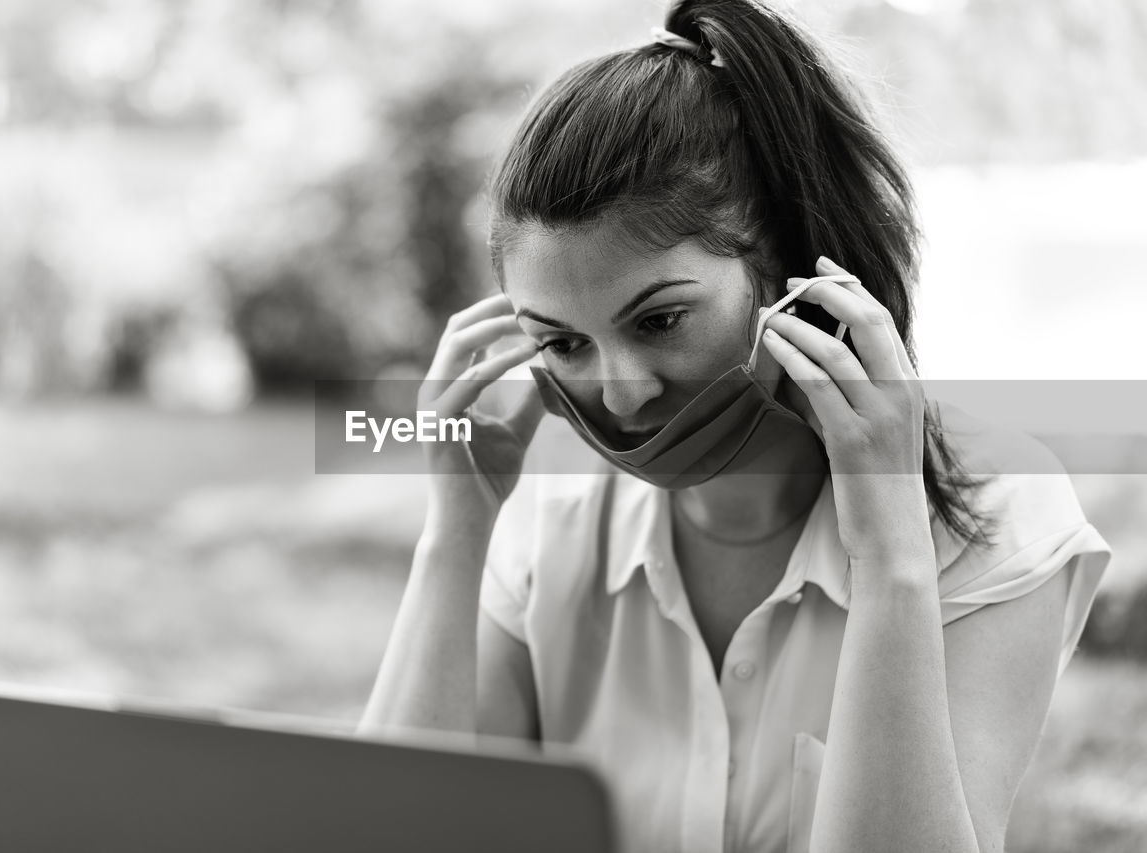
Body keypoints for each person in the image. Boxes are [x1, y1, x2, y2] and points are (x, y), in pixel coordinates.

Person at [360, 2, 1111, 851]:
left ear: (790, 273)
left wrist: (893, 553)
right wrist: (456, 534)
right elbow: (393, 832)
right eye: (563, 342)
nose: (622, 395)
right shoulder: (547, 521)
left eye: (660, 321)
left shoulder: (999, 508)